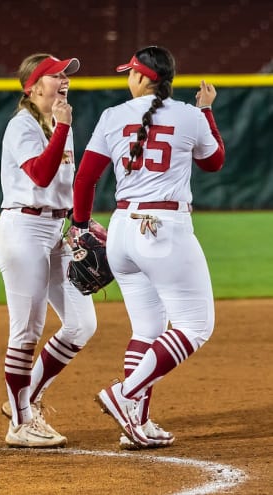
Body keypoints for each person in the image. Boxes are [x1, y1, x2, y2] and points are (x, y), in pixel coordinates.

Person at [71, 46, 225, 449]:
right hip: (163, 228)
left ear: (142, 77)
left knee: (147, 329)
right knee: (195, 326)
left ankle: (136, 421)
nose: (128, 78)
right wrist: (207, 110)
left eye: (130, 72)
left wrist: (80, 226)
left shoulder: (111, 116)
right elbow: (214, 163)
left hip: (122, 230)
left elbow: (85, 180)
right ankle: (124, 395)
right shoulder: (190, 116)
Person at [0, 54, 99, 448]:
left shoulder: (60, 122)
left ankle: (24, 398)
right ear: (33, 86)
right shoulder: (21, 126)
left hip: (55, 229)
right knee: (26, 332)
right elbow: (39, 173)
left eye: (66, 74)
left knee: (81, 324)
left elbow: (64, 183)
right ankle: (20, 424)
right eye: (55, 75)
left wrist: (80, 221)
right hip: (23, 230)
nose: (64, 80)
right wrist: (63, 128)